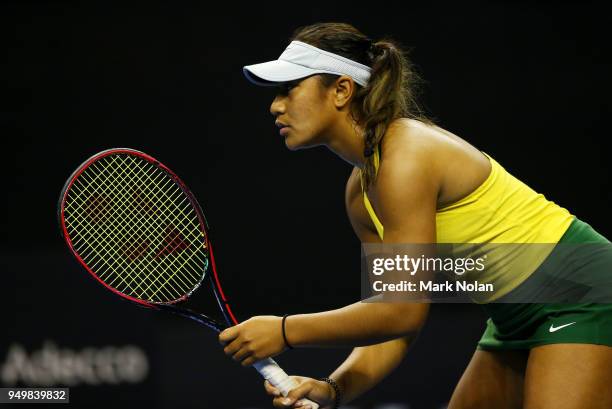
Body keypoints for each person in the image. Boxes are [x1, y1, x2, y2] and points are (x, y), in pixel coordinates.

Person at [218, 22, 612, 409]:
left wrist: (285, 331)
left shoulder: (406, 156)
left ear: (341, 90)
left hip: (581, 293)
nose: (275, 105)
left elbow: (400, 311)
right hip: (511, 319)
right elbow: (391, 321)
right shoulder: (360, 192)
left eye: (289, 89)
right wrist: (333, 389)